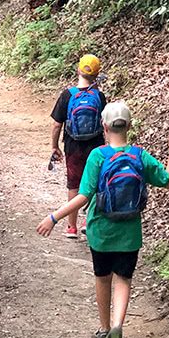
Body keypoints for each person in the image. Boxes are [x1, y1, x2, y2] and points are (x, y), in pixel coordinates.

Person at [37, 101, 169, 338]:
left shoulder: (98, 156)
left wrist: (54, 217)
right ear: (129, 126)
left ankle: (104, 329)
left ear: (104, 127)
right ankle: (117, 326)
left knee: (102, 278)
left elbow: (83, 196)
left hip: (101, 231)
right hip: (130, 233)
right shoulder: (139, 156)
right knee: (123, 279)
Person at [50, 54, 106, 239]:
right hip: (96, 146)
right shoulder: (99, 96)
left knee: (74, 185)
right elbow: (104, 122)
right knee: (94, 182)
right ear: (97, 74)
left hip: (73, 146)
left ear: (78, 70)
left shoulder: (68, 95)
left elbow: (57, 124)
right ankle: (87, 222)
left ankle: (71, 227)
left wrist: (54, 147)